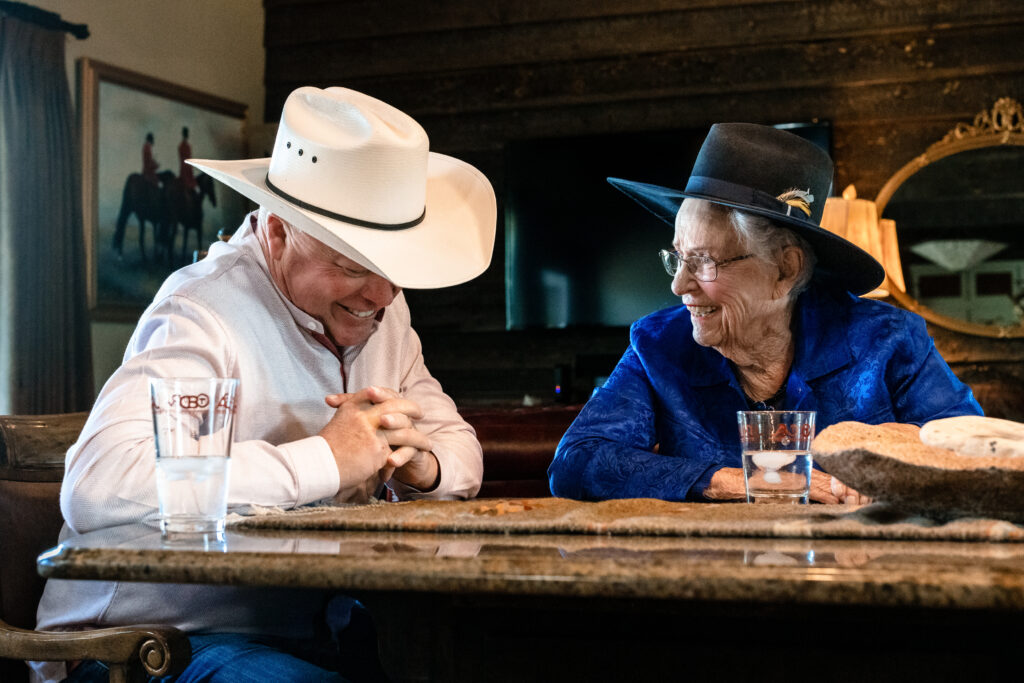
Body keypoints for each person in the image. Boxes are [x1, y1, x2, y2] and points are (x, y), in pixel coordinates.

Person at [33, 87, 497, 682]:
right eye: (353, 266)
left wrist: (420, 465)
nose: (381, 298)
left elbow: (460, 450)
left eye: (393, 270)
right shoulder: (201, 312)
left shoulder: (383, 311)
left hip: (305, 631)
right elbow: (100, 486)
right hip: (139, 649)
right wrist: (326, 459)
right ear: (277, 233)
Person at [548, 123, 983, 505]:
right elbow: (576, 461)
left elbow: (977, 451)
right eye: (677, 258)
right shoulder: (660, 344)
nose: (679, 285)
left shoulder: (887, 339)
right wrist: (743, 482)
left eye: (703, 262)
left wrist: (892, 455)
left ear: (785, 269)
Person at [178, 125, 196, 190]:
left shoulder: (187, 146)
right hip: (185, 171)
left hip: (188, 169)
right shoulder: (182, 146)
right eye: (186, 133)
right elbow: (184, 159)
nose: (187, 135)